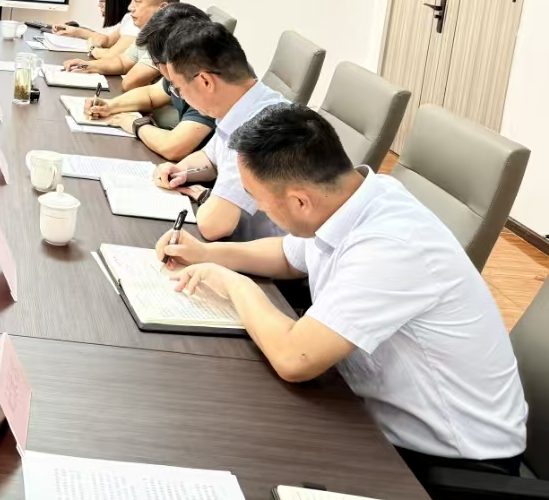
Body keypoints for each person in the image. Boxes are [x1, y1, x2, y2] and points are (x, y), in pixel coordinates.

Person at [157, 105, 528, 478]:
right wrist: (208, 253)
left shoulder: (391, 246)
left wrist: (235, 284)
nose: (259, 208)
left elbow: (293, 358)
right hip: (366, 408)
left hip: (448, 461)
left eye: (258, 199)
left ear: (300, 201)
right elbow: (289, 256)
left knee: (230, 446)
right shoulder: (357, 195)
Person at [150, 19, 286, 241]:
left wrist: (204, 195)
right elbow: (210, 158)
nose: (180, 96)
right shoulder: (246, 102)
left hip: (264, 254)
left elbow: (213, 226)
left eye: (179, 89)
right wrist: (180, 170)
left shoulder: (261, 130)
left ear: (205, 81)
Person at [85, 3, 215, 161]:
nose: (156, 67)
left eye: (156, 62)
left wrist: (136, 124)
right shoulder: (183, 71)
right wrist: (109, 106)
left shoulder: (205, 85)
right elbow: (151, 95)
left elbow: (173, 148)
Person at [64, 0, 179, 92]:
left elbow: (130, 82)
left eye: (137, 1)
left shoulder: (170, 40)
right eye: (131, 0)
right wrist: (86, 65)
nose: (130, 7)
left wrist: (92, 50)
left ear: (163, 8)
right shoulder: (149, 33)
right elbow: (122, 62)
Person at [52, 0, 136, 50]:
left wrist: (92, 48)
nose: (99, 5)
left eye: (102, 0)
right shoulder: (126, 20)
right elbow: (108, 40)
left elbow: (110, 50)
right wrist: (75, 31)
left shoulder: (132, 23)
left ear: (119, 0)